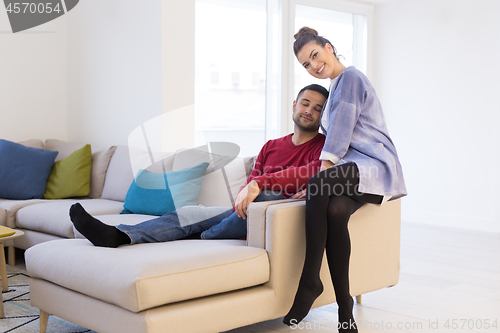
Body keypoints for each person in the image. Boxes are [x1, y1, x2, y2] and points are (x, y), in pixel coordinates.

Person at [69, 84, 330, 247]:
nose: (309, 110)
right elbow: (249, 183)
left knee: (263, 197)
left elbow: (308, 175)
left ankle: (201, 236)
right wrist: (249, 189)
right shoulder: (272, 145)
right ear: (294, 105)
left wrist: (258, 186)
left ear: (323, 116)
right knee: (190, 214)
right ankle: (118, 236)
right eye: (305, 103)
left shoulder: (324, 148)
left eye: (317, 108)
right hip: (241, 211)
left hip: (271, 215)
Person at [282, 27, 407, 332]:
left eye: (315, 55)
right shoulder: (336, 86)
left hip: (374, 165)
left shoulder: (350, 78)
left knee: (317, 184)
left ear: (329, 47)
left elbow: (340, 131)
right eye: (306, 65)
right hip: (353, 170)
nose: (314, 66)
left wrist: (321, 179)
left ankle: (309, 281)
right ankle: (345, 311)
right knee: (335, 213)